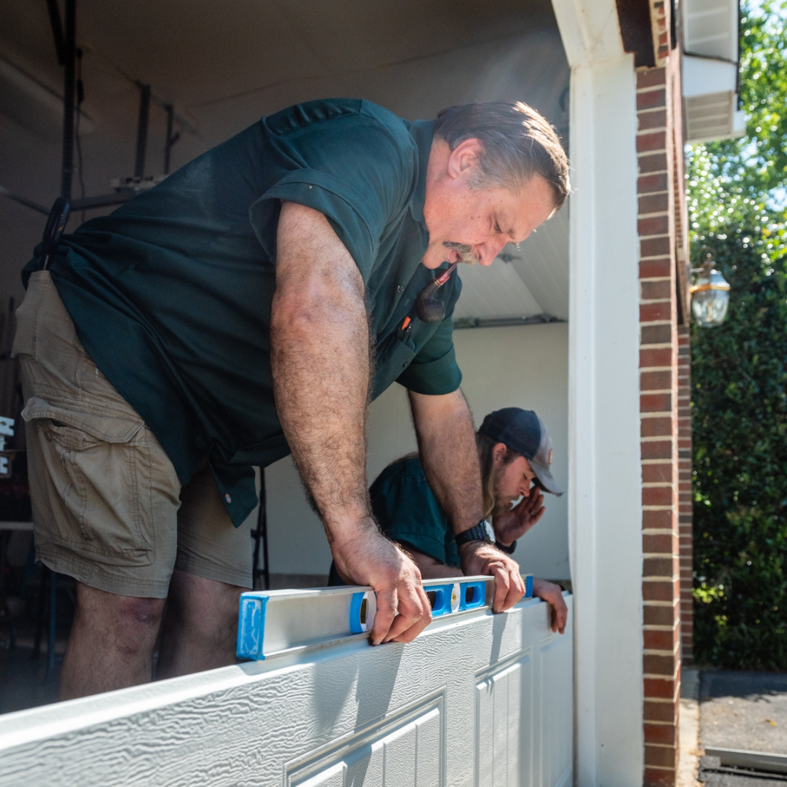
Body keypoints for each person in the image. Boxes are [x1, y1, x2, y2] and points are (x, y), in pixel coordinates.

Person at [12, 98, 569, 699]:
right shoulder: (371, 146)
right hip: (116, 341)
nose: (490, 254)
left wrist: (476, 539)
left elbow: (444, 412)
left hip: (210, 422)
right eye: (496, 224)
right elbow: (315, 307)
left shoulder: (436, 280)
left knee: (214, 611)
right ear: (465, 160)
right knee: (130, 608)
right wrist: (355, 530)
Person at [330, 408, 568, 634]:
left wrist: (502, 539)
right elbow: (420, 581)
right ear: (499, 454)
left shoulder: (475, 510)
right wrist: (528, 586)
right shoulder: (418, 479)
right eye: (527, 477)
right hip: (362, 643)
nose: (527, 491)